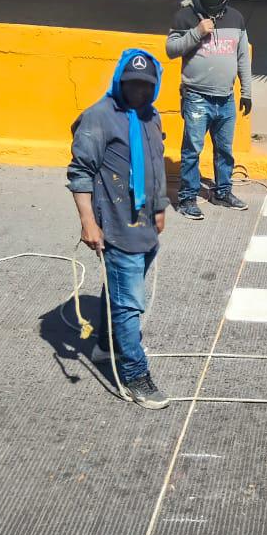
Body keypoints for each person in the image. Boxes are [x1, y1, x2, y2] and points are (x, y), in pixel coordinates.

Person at [67, 49, 171, 410]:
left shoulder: (150, 116)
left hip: (144, 224)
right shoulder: (99, 117)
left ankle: (107, 344)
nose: (138, 92)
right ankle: (135, 375)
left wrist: (159, 207)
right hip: (114, 223)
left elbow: (156, 162)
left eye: (145, 86)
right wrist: (88, 223)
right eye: (132, 85)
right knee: (129, 303)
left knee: (119, 288)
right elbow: (79, 172)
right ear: (119, 82)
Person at [167, 0, 253, 215]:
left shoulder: (236, 18)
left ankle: (223, 192)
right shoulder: (185, 17)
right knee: (192, 149)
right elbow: (171, 50)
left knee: (225, 149)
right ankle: (187, 199)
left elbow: (242, 57)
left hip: (226, 97)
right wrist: (197, 32)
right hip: (196, 97)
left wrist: (246, 91)